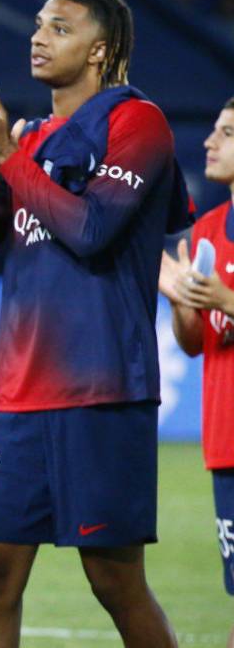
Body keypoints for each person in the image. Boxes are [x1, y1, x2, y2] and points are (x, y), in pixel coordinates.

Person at [0, 0, 186, 647]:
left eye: (59, 27)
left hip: (100, 391)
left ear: (100, 50)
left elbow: (92, 229)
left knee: (113, 580)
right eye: (38, 24)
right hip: (18, 397)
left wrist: (10, 157)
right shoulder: (34, 137)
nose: (38, 36)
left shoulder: (137, 122)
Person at [158, 96, 234, 648]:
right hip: (225, 441)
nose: (209, 141)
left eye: (226, 132)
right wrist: (185, 301)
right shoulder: (208, 228)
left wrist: (228, 299)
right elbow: (194, 344)